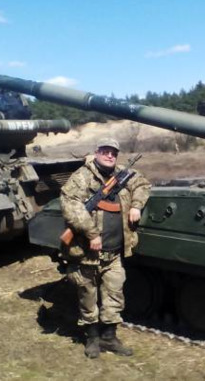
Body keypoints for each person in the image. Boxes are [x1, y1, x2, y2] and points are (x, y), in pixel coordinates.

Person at [60, 137, 151, 358]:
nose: (110, 156)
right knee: (88, 295)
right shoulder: (82, 176)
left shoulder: (123, 174)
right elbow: (70, 205)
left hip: (114, 252)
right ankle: (92, 339)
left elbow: (143, 184)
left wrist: (136, 205)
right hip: (88, 252)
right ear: (97, 152)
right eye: (105, 151)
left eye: (114, 153)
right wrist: (91, 233)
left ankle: (109, 338)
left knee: (114, 295)